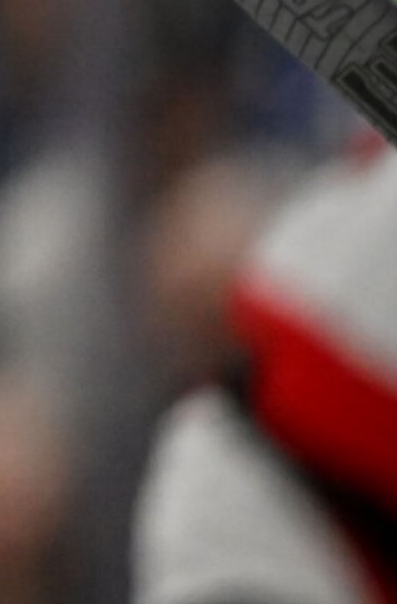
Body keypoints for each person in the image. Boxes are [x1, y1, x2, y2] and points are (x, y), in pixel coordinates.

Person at [133, 142, 397, 603]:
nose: (203, 338)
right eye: (185, 319)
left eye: (208, 309)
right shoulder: (210, 479)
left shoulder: (322, 289)